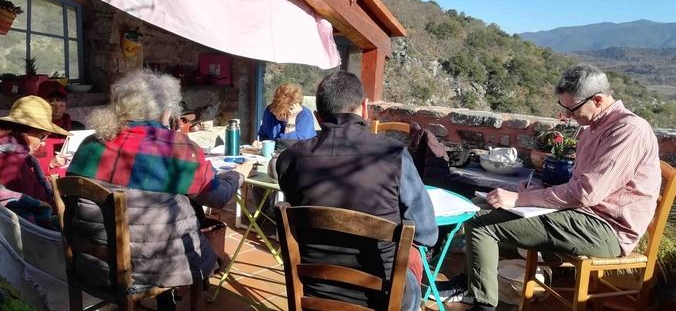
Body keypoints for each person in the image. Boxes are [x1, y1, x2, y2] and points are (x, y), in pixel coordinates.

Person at [443, 64, 661, 311]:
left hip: (607, 230)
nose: (568, 116)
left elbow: (586, 193)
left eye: (572, 108)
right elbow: (579, 185)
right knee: (479, 207)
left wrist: (519, 200)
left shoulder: (629, 131)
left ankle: (482, 305)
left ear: (598, 100)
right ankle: (471, 285)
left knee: (482, 227)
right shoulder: (592, 129)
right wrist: (531, 191)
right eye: (564, 108)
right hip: (582, 215)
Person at [66, 69, 252, 309]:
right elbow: (218, 197)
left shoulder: (90, 144)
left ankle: (166, 301)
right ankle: (170, 297)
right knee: (186, 213)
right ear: (167, 109)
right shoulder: (178, 148)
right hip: (156, 268)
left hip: (91, 264)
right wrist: (239, 174)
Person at [276, 71, 438, 311]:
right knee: (413, 256)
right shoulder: (394, 155)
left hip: (315, 290)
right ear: (365, 107)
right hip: (382, 298)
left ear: (319, 117)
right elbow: (427, 234)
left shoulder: (290, 159)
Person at [0, 95, 71, 229]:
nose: (43, 142)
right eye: (42, 135)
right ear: (25, 131)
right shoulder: (12, 162)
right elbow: (26, 215)